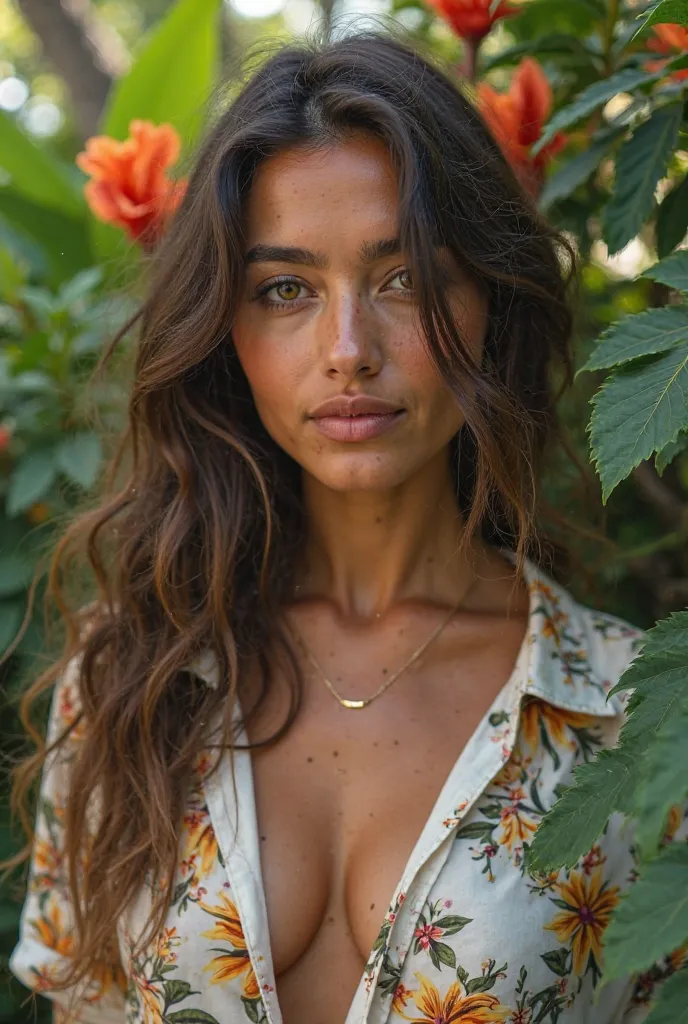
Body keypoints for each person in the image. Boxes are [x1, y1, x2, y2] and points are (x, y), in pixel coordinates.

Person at [5, 29, 675, 1024]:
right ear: (225, 332)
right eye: (286, 290)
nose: (348, 349)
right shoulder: (130, 680)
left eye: (403, 278)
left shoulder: (629, 718)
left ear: (487, 296)